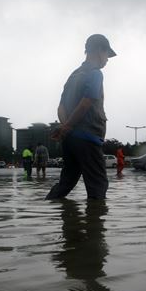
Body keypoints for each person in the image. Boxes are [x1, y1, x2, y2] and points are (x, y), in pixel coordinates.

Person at [46, 34, 116, 200]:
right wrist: (68, 126)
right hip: (88, 138)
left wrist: (65, 127)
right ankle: (95, 224)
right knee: (98, 184)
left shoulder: (73, 75)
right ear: (100, 50)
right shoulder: (95, 73)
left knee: (66, 183)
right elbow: (86, 103)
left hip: (70, 140)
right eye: (108, 55)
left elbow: (61, 107)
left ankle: (52, 210)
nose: (107, 60)